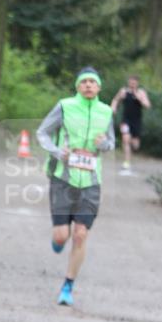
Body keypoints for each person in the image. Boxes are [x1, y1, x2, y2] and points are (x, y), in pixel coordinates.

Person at [36, 67, 115, 307]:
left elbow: (111, 143)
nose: (89, 85)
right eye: (84, 82)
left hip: (91, 182)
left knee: (80, 234)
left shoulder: (106, 112)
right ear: (78, 86)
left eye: (93, 82)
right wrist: (58, 152)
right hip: (64, 178)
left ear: (99, 87)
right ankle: (58, 240)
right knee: (62, 235)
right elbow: (43, 133)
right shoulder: (65, 106)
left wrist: (105, 144)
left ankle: (67, 286)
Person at [110, 75, 151, 173]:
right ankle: (126, 162)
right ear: (128, 82)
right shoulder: (123, 91)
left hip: (136, 121)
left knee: (135, 144)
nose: (132, 83)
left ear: (137, 83)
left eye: (134, 82)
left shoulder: (141, 92)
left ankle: (133, 148)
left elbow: (147, 105)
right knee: (125, 139)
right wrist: (113, 108)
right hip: (126, 120)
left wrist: (140, 99)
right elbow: (115, 100)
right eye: (130, 82)